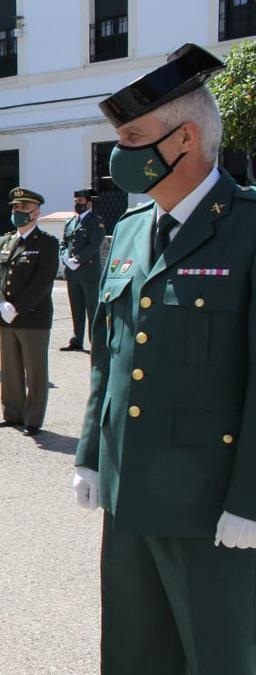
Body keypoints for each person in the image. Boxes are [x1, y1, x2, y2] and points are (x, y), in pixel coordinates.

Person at [74, 43, 256, 674]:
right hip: (129, 498)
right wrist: (92, 456)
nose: (119, 155)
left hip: (210, 508)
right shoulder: (127, 230)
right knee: (133, 650)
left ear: (183, 140)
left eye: (132, 138)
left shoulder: (249, 229)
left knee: (217, 654)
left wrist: (252, 499)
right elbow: (110, 355)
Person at [0, 188, 58, 437]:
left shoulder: (47, 243)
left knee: (35, 370)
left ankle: (33, 419)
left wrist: (17, 307)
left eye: (23, 208)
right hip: (6, 317)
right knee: (11, 369)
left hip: (33, 317)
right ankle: (12, 413)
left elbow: (43, 282)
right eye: (14, 208)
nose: (17, 212)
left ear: (36, 212)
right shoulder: (4, 241)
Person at [58, 188, 106, 351]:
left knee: (92, 309)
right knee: (76, 308)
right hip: (72, 273)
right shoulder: (70, 222)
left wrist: (77, 260)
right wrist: (64, 256)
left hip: (88, 272)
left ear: (89, 203)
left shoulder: (96, 221)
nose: (77, 204)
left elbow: (94, 244)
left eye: (80, 201)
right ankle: (77, 340)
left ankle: (96, 342)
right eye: (75, 201)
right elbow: (63, 243)